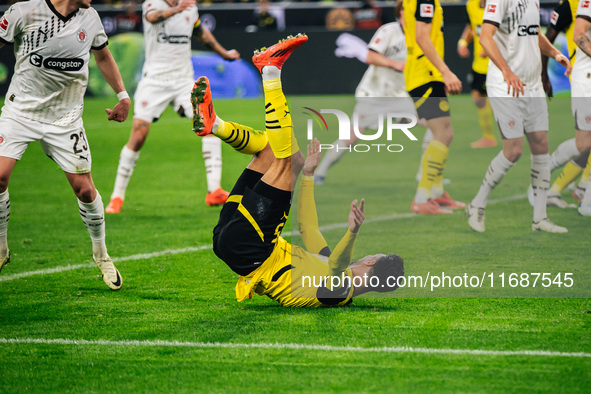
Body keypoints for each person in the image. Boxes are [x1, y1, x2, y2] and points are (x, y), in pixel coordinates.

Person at [192, 35, 404, 307]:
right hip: (237, 243)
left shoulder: (341, 292)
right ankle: (216, 125)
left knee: (290, 160)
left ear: (371, 261)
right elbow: (307, 228)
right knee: (271, 152)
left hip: (253, 250)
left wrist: (352, 231)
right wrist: (308, 176)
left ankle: (270, 71)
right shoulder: (331, 270)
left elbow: (337, 268)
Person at [0, 0, 130, 289]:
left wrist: (122, 95)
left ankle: (101, 254)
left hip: (65, 118)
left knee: (84, 189)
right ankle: (1, 250)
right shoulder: (23, 12)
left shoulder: (90, 18)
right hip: (20, 112)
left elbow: (104, 57)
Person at [105, 0, 240, 213]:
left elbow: (201, 32)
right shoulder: (153, 3)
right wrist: (176, 9)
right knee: (138, 136)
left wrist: (224, 53)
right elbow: (151, 17)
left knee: (208, 123)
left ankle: (214, 190)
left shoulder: (191, 7)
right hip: (154, 80)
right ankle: (116, 197)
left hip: (183, 80)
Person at [465, 0, 571, 233]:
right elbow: (485, 37)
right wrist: (507, 71)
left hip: (531, 85)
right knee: (513, 150)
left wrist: (554, 53)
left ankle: (540, 218)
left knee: (541, 144)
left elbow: (533, 34)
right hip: (506, 85)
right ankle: (476, 204)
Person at [314, 3, 432, 186]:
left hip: (400, 96)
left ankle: (425, 176)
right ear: (401, 12)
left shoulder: (420, 34)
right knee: (351, 137)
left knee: (435, 125)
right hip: (375, 95)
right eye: (409, 10)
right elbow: (370, 56)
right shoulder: (388, 31)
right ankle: (320, 172)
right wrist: (394, 64)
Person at [402, 0, 465, 215]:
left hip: (427, 74)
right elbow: (421, 37)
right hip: (424, 74)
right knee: (442, 133)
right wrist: (445, 72)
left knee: (445, 133)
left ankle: (436, 193)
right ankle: (421, 197)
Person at [536, 0, 591, 209]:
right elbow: (549, 38)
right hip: (585, 76)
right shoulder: (572, 5)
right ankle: (544, 175)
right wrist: (544, 75)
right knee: (584, 143)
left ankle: (582, 192)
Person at [457, 0, 497, 149]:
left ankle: (494, 136)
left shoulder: (499, 4)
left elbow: (505, 32)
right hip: (479, 64)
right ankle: (488, 137)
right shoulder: (471, 4)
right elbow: (471, 27)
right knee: (478, 100)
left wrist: (490, 48)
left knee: (497, 101)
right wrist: (462, 42)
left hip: (497, 64)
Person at [572, 0, 591, 216]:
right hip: (586, 81)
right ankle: (544, 169)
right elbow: (579, 34)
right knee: (584, 143)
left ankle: (584, 195)